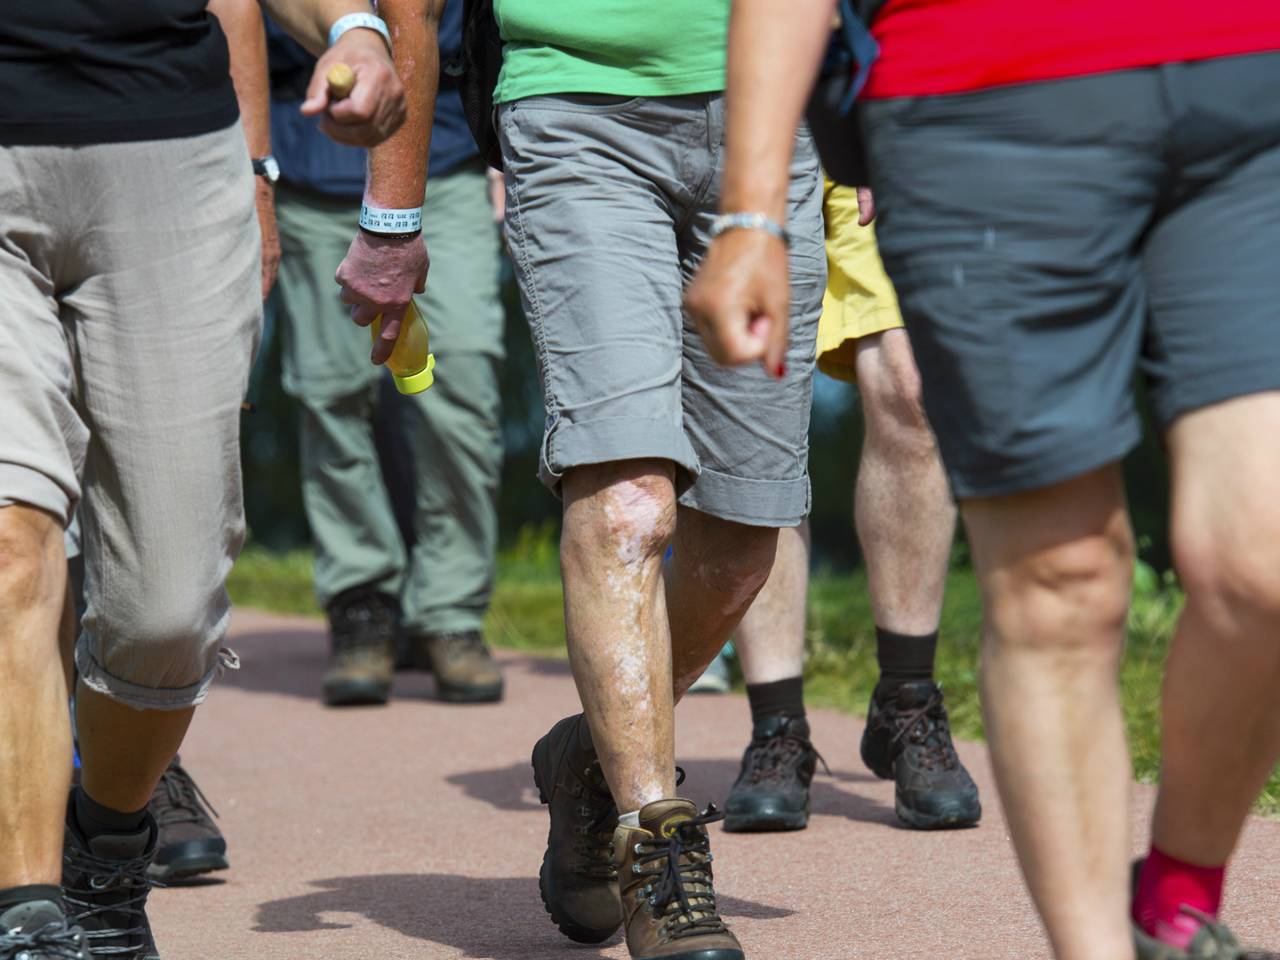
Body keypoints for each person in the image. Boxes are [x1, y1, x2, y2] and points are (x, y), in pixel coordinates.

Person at [688, 2, 1280, 958]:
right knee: (1060, 584)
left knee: (1267, 561)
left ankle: (1174, 903)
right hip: (982, 95)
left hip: (1249, 76)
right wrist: (754, 213)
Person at [339, 3, 824, 957]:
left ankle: (589, 762)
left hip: (771, 119)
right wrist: (392, 216)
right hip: (574, 110)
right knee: (629, 504)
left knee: (738, 545)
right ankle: (660, 852)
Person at [0, 0, 404, 955]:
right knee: (13, 541)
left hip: (172, 157)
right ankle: (28, 910)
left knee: (165, 611)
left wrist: (356, 29)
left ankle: (104, 841)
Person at [269, 0, 507, 709]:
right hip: (310, 158)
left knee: (461, 378)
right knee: (331, 391)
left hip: (448, 155)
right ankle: (361, 603)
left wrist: (504, 137)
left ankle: (451, 611)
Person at [726, 181, 979, 834]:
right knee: (760, 408)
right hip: (742, 134)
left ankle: (908, 702)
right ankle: (776, 726)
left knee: (914, 385)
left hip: (871, 117)